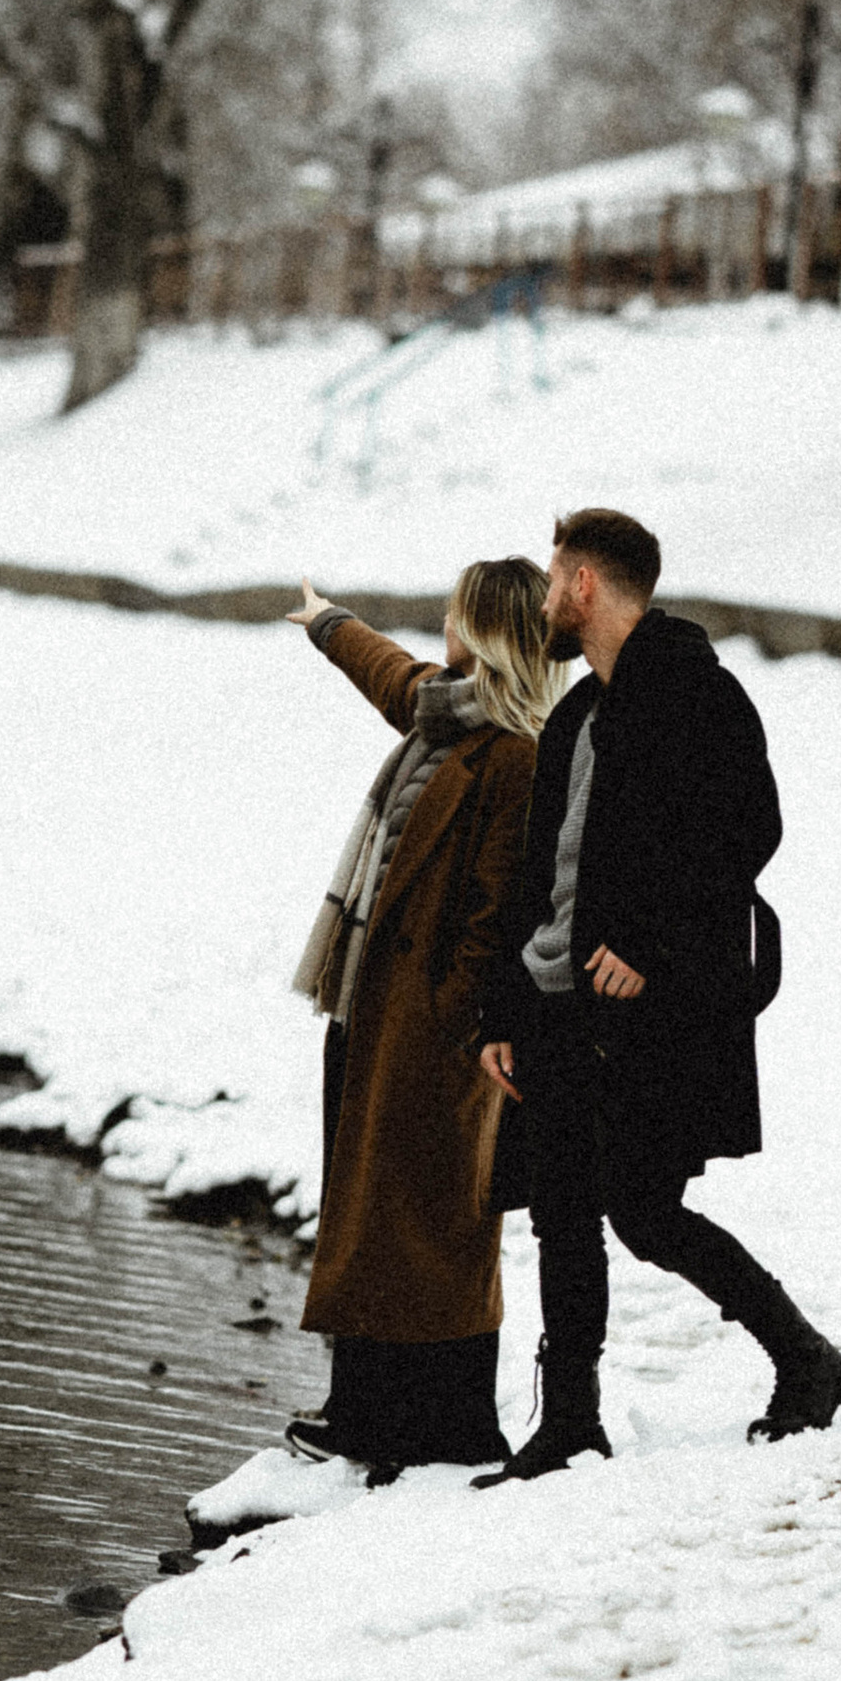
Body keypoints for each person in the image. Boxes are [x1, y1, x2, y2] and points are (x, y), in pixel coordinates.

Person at [476, 505, 841, 1485]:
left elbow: (748, 831)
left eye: (554, 581)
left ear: (586, 585)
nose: (545, 601)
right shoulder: (577, 713)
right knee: (561, 1212)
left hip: (645, 1013)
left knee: (644, 1211)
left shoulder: (696, 693)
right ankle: (570, 1423)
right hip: (554, 1000)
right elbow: (536, 877)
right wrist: (502, 1012)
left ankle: (805, 1359)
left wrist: (649, 943)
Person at [284, 558, 557, 1472]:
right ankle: (362, 1410)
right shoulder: (445, 713)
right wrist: (328, 623)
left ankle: (439, 1425)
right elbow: (391, 676)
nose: (441, 627)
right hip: (372, 1002)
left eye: (454, 615)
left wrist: (451, 1017)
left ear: (483, 632)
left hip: (433, 1029)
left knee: (432, 1225)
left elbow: (496, 912)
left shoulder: (516, 756)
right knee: (367, 1207)